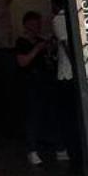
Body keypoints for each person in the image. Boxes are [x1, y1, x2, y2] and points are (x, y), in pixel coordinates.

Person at [14, 10, 62, 168]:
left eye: (38, 24)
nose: (37, 27)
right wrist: (37, 49)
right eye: (33, 24)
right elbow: (23, 62)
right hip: (31, 83)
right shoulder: (21, 42)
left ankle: (58, 146)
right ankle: (32, 150)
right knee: (33, 116)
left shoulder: (42, 40)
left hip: (46, 82)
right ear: (26, 25)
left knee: (52, 114)